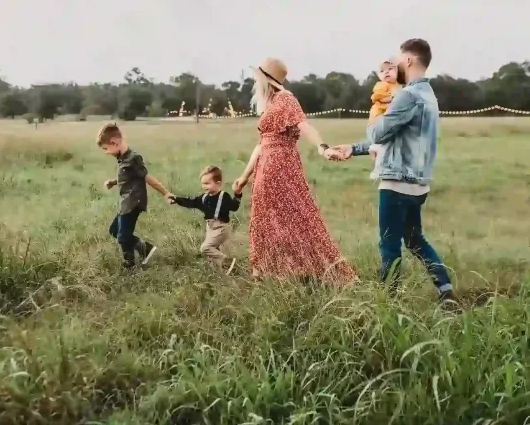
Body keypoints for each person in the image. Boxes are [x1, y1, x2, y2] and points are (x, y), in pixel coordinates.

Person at [332, 39, 457, 304]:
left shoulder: (407, 95)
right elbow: (396, 139)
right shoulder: (429, 96)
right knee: (414, 240)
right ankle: (445, 290)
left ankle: (387, 302)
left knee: (389, 245)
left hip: (397, 181)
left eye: (399, 59)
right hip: (419, 183)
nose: (396, 64)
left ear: (408, 61)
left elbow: (379, 132)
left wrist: (375, 114)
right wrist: (353, 149)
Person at [233, 58, 357, 284]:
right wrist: (244, 177)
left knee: (297, 217)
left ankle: (311, 268)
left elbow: (304, 125)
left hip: (282, 167)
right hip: (264, 169)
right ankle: (264, 271)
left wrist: (323, 148)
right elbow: (261, 145)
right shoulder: (269, 104)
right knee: (263, 219)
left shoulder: (285, 99)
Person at [97, 123, 172, 269]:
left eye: (106, 149)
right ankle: (143, 250)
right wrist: (113, 182)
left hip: (133, 203)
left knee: (123, 236)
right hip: (125, 202)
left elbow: (147, 178)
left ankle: (131, 263)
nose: (106, 152)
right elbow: (127, 176)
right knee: (115, 231)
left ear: (114, 142)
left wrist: (166, 193)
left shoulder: (133, 158)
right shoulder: (123, 159)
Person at [169, 165, 241, 273]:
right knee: (213, 251)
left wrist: (237, 194)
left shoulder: (223, 196)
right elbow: (191, 202)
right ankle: (221, 271)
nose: (204, 186)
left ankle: (228, 262)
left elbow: (234, 207)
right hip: (210, 227)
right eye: (203, 183)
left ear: (218, 183)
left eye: (207, 183)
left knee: (205, 248)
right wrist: (177, 200)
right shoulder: (204, 198)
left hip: (221, 227)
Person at [369, 60, 402, 178]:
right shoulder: (381, 85)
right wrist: (394, 98)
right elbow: (378, 98)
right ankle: (378, 166)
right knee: (384, 144)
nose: (386, 72)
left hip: (388, 117)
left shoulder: (399, 86)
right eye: (382, 71)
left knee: (388, 145)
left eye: (390, 69)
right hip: (379, 117)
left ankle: (382, 162)